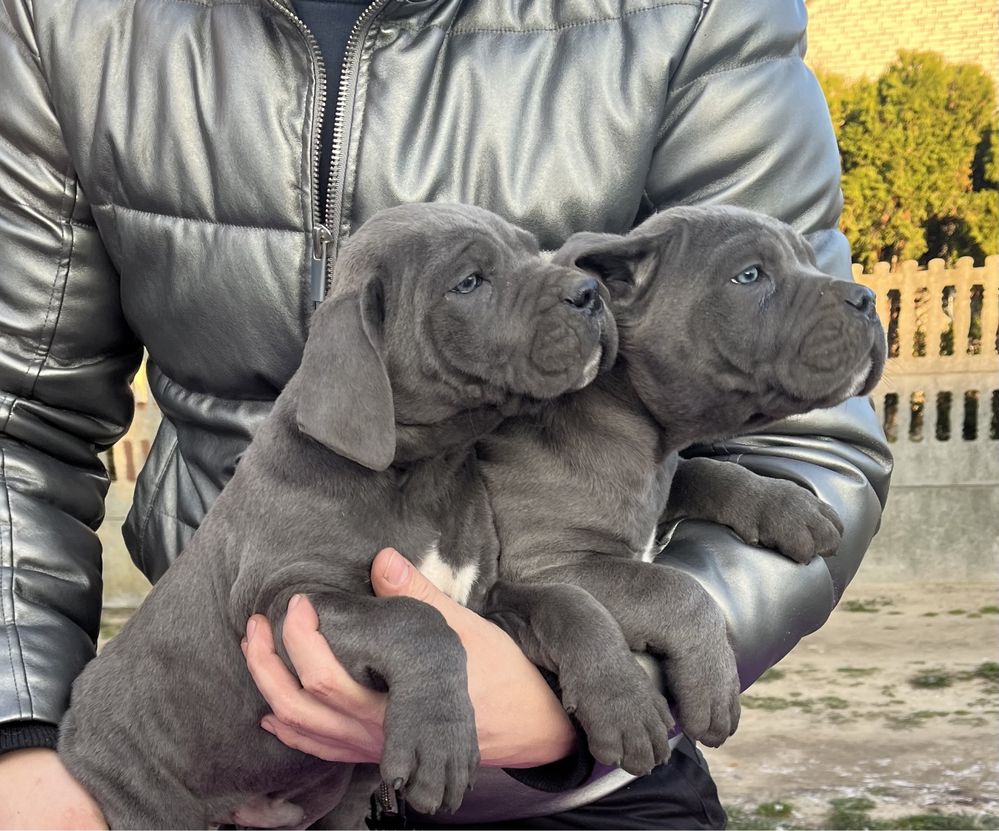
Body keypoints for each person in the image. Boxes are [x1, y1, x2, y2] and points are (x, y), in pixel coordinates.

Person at [0, 0, 892, 827]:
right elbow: (19, 417)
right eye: (475, 280)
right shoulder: (68, 20)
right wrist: (18, 741)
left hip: (582, 747)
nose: (574, 288)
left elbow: (808, 447)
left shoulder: (688, 15)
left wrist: (565, 708)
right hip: (217, 753)